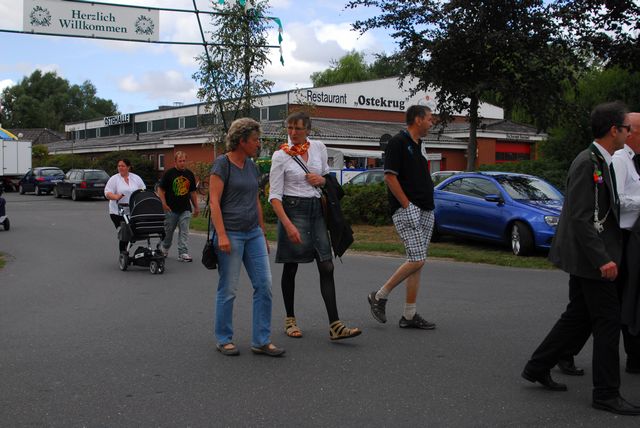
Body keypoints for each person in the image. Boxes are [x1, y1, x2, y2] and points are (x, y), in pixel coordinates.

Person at [521, 101, 640, 415]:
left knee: (578, 316)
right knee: (607, 323)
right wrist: (603, 259)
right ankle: (606, 393)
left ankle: (537, 366)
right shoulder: (587, 163)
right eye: (626, 128)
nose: (629, 133)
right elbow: (580, 217)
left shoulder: (602, 160)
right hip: (592, 258)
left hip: (593, 254)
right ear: (614, 130)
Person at [269, 111, 361, 341]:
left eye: (298, 128)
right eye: (289, 128)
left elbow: (328, 179)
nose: (293, 133)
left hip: (317, 209)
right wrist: (287, 224)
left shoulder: (319, 147)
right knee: (291, 266)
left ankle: (335, 325)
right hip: (293, 209)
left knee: (327, 266)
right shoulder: (281, 155)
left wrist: (321, 180)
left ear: (308, 130)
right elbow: (274, 196)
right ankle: (290, 319)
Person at [210, 118, 284, 357]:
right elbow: (214, 202)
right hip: (230, 234)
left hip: (253, 233)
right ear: (241, 141)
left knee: (264, 285)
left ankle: (261, 340)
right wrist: (222, 234)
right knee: (228, 289)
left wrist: (262, 232)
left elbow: (255, 201)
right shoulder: (222, 165)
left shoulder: (252, 166)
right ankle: (223, 339)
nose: (258, 143)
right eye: (255, 140)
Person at [367, 105, 437, 330]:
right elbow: (390, 177)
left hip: (426, 209)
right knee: (417, 259)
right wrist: (407, 205)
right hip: (408, 209)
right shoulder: (397, 142)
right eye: (429, 119)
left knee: (417, 263)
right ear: (418, 119)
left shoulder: (420, 144)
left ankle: (409, 315)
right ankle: (379, 296)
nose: (432, 123)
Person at [157, 151, 200, 262]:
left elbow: (192, 192)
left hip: (185, 208)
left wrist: (196, 207)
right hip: (171, 208)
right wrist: (163, 203)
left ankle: (183, 252)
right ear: (175, 162)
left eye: (184, 161)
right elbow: (160, 190)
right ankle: (165, 248)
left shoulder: (189, 174)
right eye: (180, 161)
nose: (182, 163)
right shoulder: (169, 174)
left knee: (184, 231)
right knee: (168, 232)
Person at [104, 158, 146, 253]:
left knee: (134, 233)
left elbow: (143, 190)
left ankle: (126, 249)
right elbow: (107, 193)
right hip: (117, 212)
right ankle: (123, 253)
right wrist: (116, 196)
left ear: (128, 167)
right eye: (119, 166)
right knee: (124, 233)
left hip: (133, 211)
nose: (120, 168)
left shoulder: (136, 178)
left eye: (123, 166)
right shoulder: (114, 179)